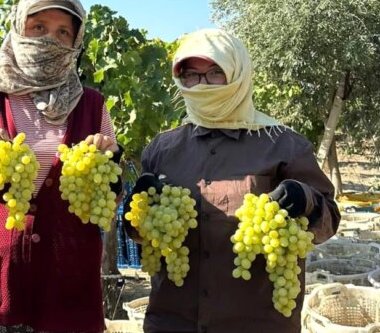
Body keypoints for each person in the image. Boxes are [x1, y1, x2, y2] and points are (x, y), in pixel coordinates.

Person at [0, 0, 122, 333]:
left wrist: (110, 166)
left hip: (68, 285)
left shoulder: (93, 106)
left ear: (76, 42)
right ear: (19, 27)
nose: (50, 38)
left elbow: (107, 204)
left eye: (63, 31)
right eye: (38, 27)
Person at [124, 28, 340, 333]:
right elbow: (141, 236)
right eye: (191, 75)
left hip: (256, 324)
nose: (202, 85)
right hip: (173, 321)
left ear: (237, 73)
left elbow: (328, 222)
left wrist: (305, 199)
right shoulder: (162, 149)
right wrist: (141, 206)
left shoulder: (283, 144)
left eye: (215, 73)